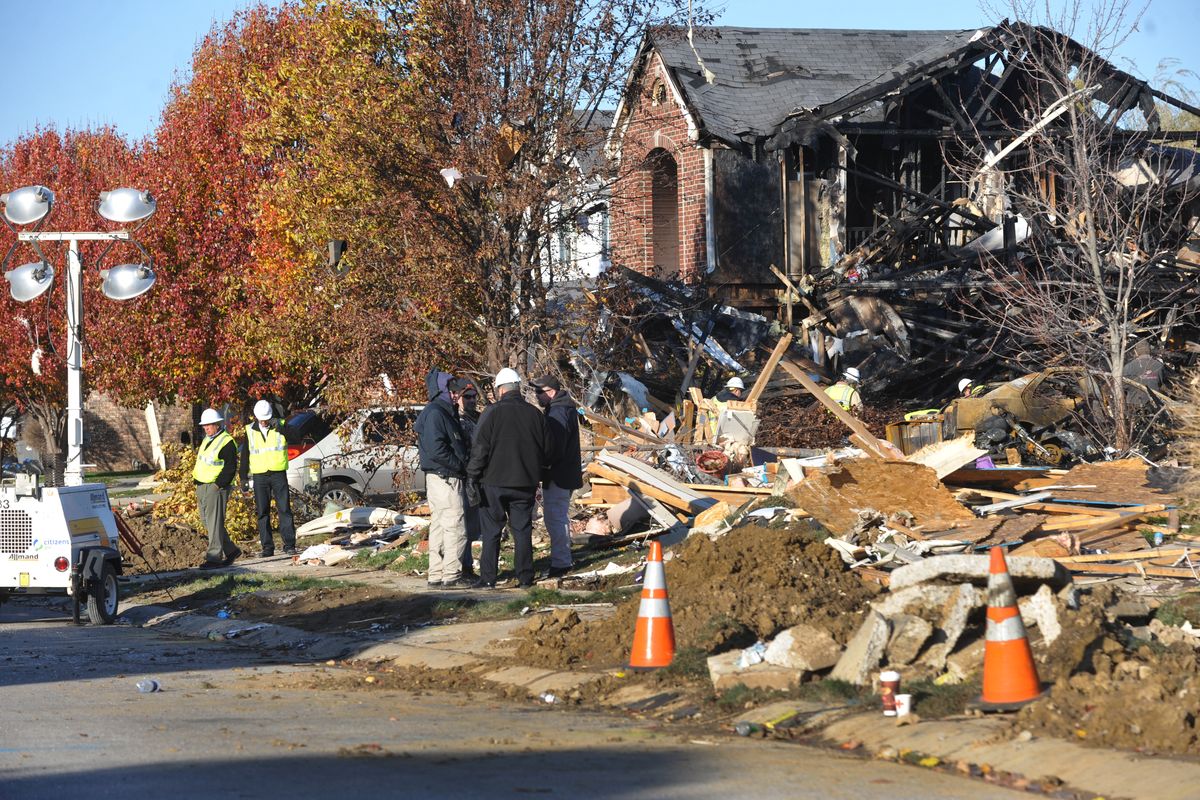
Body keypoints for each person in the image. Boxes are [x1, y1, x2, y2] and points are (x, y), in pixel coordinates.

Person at [466, 367, 549, 589]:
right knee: (522, 530)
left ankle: (488, 578)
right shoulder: (535, 414)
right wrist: (538, 475)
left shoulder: (491, 413)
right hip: (525, 482)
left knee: (492, 531)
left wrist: (472, 477)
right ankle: (525, 577)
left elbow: (479, 448)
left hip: (493, 482)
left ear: (500, 390)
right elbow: (546, 449)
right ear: (517, 388)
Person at [414, 371, 471, 588]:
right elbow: (437, 449)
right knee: (455, 527)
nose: (457, 396)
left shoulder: (439, 411)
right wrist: (460, 467)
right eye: (453, 392)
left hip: (438, 478)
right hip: (446, 478)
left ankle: (436, 574)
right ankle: (451, 576)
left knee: (439, 526)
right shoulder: (438, 413)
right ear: (442, 391)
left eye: (458, 392)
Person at [531, 375, 582, 578]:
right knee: (557, 517)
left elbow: (555, 447)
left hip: (558, 474)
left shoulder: (558, 412)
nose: (536, 396)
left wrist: (543, 464)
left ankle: (561, 563)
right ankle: (562, 559)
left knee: (555, 518)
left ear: (550, 392)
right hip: (564, 473)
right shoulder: (562, 408)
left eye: (539, 392)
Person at [243, 400, 296, 558]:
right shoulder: (250, 430)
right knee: (262, 512)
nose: (264, 422)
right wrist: (243, 476)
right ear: (256, 417)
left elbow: (296, 437)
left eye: (266, 419)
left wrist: (281, 427)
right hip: (260, 476)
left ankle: (289, 545)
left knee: (284, 509)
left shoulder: (280, 425)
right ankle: (267, 547)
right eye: (261, 419)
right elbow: (245, 455)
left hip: (278, 473)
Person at [194, 407, 241, 569]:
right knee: (208, 521)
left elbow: (230, 468)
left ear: (217, 424)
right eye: (204, 425)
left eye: (209, 425)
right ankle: (231, 550)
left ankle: (214, 557)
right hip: (202, 485)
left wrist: (217, 485)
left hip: (216, 487)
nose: (206, 428)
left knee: (213, 522)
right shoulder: (208, 439)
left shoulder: (226, 442)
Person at [456, 380, 482, 579]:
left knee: (475, 525)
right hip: (465, 476)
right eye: (467, 397)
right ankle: (464, 566)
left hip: (480, 476)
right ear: (458, 398)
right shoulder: (457, 421)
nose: (472, 400)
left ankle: (472, 564)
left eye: (474, 397)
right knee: (464, 523)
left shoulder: (478, 418)